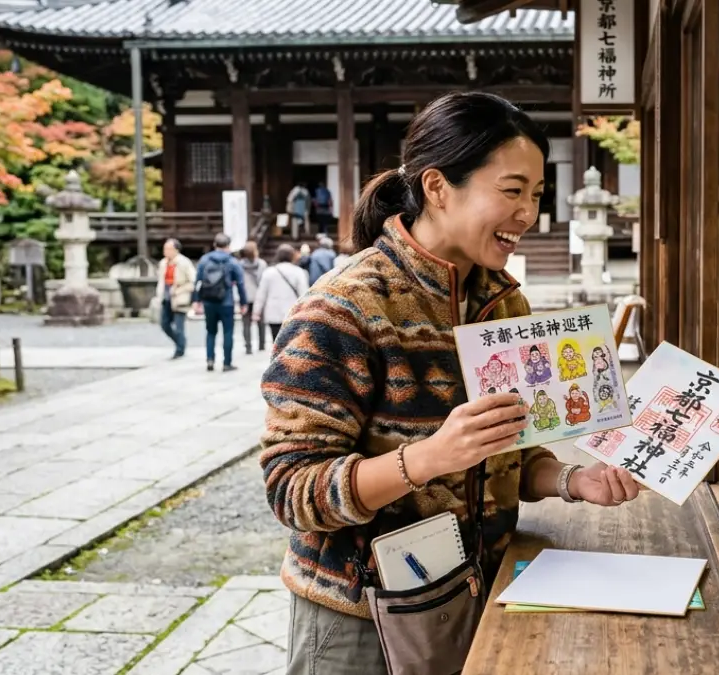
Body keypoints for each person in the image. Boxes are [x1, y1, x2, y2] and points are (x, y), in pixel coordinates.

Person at [260, 92, 642, 675]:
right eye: (512, 191)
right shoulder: (344, 308)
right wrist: (431, 456)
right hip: (360, 616)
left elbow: (510, 450)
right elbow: (292, 491)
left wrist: (571, 479)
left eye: (537, 195)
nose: (528, 214)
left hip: (476, 592)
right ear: (437, 187)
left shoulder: (503, 299)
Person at [194, 233, 248, 372]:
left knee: (210, 331)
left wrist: (196, 300)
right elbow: (240, 283)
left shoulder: (204, 260)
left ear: (214, 244)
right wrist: (243, 302)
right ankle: (227, 363)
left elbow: (198, 281)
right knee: (228, 332)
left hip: (208, 301)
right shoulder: (232, 262)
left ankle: (210, 359)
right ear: (228, 246)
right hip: (227, 301)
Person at [252, 243, 308, 341]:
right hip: (292, 312)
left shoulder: (269, 272)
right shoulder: (298, 272)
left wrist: (256, 311)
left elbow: (261, 294)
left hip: (273, 312)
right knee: (290, 343)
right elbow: (304, 294)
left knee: (276, 342)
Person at [155, 238, 196, 359]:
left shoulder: (184, 263)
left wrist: (180, 290)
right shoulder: (163, 263)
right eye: (165, 249)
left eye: (169, 249)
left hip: (179, 297)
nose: (166, 251)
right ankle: (180, 342)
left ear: (176, 250)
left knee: (179, 326)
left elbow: (193, 281)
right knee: (164, 324)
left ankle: (180, 349)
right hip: (166, 297)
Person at [238, 240, 267, 355]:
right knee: (261, 321)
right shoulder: (262, 264)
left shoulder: (239, 265)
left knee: (246, 323)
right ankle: (261, 344)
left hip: (245, 296)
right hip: (258, 296)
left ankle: (248, 347)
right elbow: (262, 281)